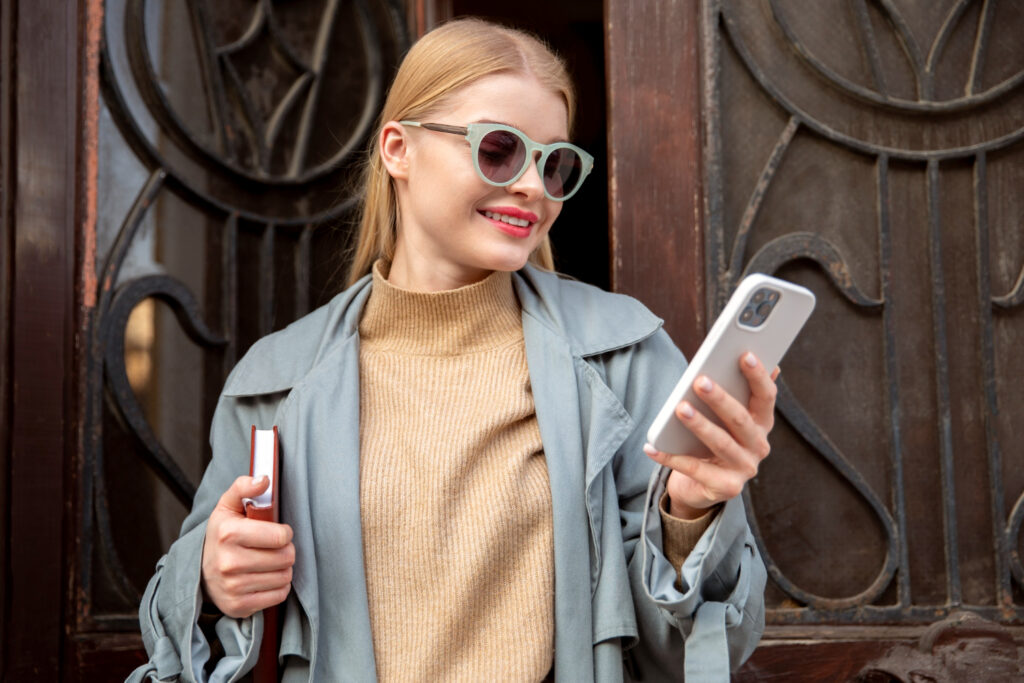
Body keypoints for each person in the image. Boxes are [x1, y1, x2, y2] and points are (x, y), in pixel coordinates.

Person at [129, 17, 772, 683]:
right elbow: (179, 623)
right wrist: (214, 576)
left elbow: (699, 650)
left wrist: (690, 517)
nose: (532, 187)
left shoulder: (625, 355)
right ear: (398, 149)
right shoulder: (276, 381)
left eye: (554, 164)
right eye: (499, 149)